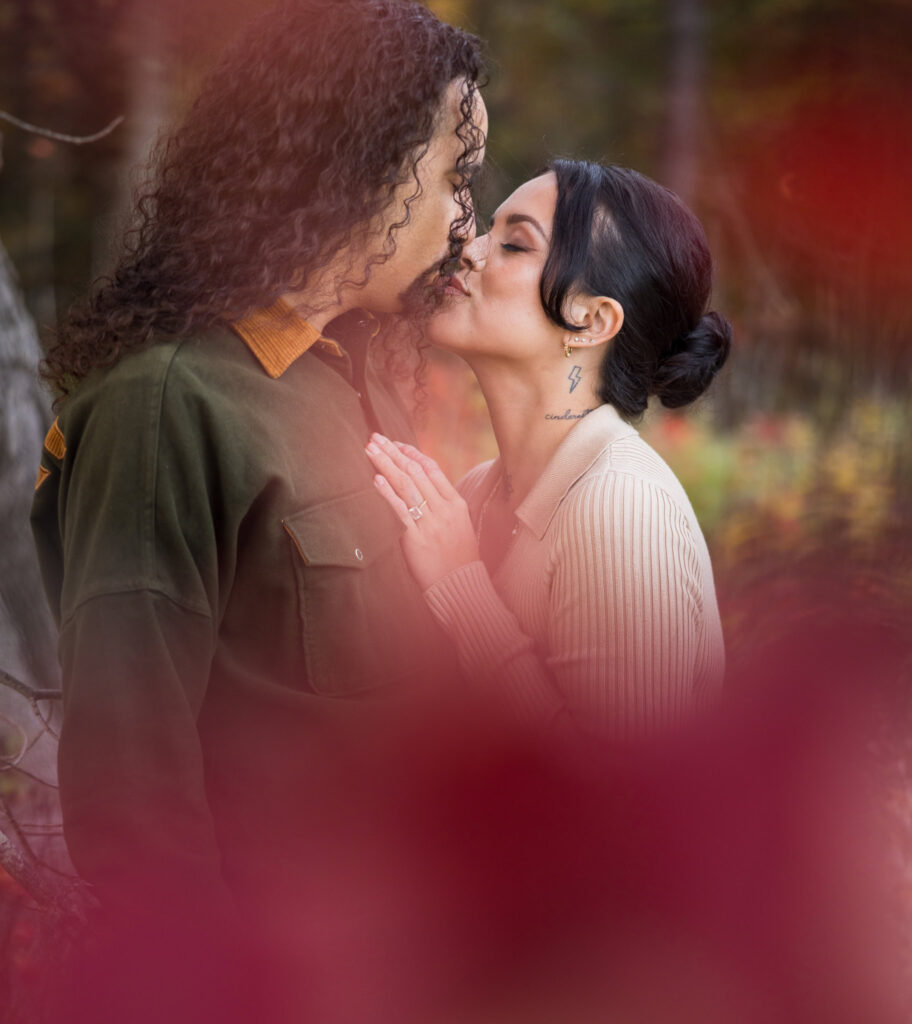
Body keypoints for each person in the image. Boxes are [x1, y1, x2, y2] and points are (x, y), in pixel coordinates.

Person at [29, 0, 486, 1017]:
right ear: (364, 161)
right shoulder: (164, 406)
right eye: (456, 172)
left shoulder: (353, 380)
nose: (467, 218)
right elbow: (135, 805)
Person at [367, 160, 729, 741]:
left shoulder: (622, 506)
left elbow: (624, 790)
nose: (469, 250)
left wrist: (461, 586)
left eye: (514, 244)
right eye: (489, 230)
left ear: (592, 320)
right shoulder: (473, 496)